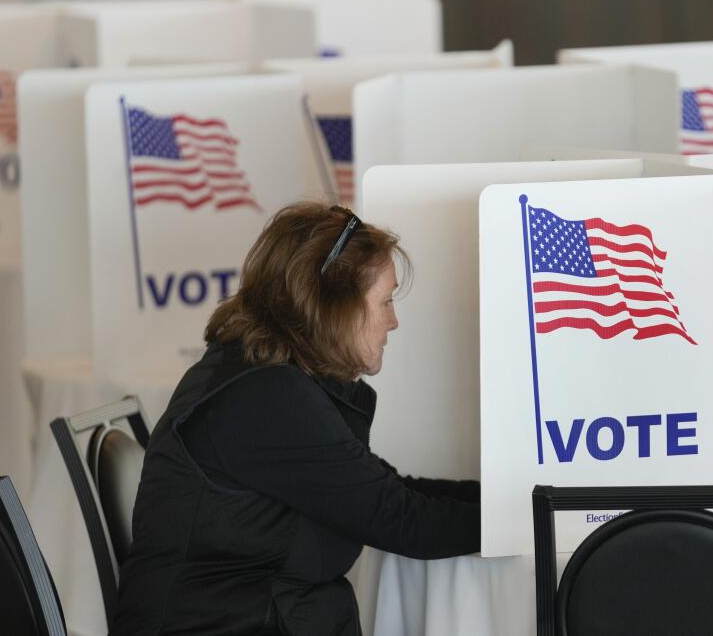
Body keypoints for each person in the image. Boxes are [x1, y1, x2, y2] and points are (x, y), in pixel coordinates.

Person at [113, 203, 481, 636]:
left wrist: (507, 505)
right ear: (333, 307)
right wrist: (526, 520)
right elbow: (401, 521)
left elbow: (385, 490)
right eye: (385, 301)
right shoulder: (265, 397)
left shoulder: (257, 376)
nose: (393, 321)